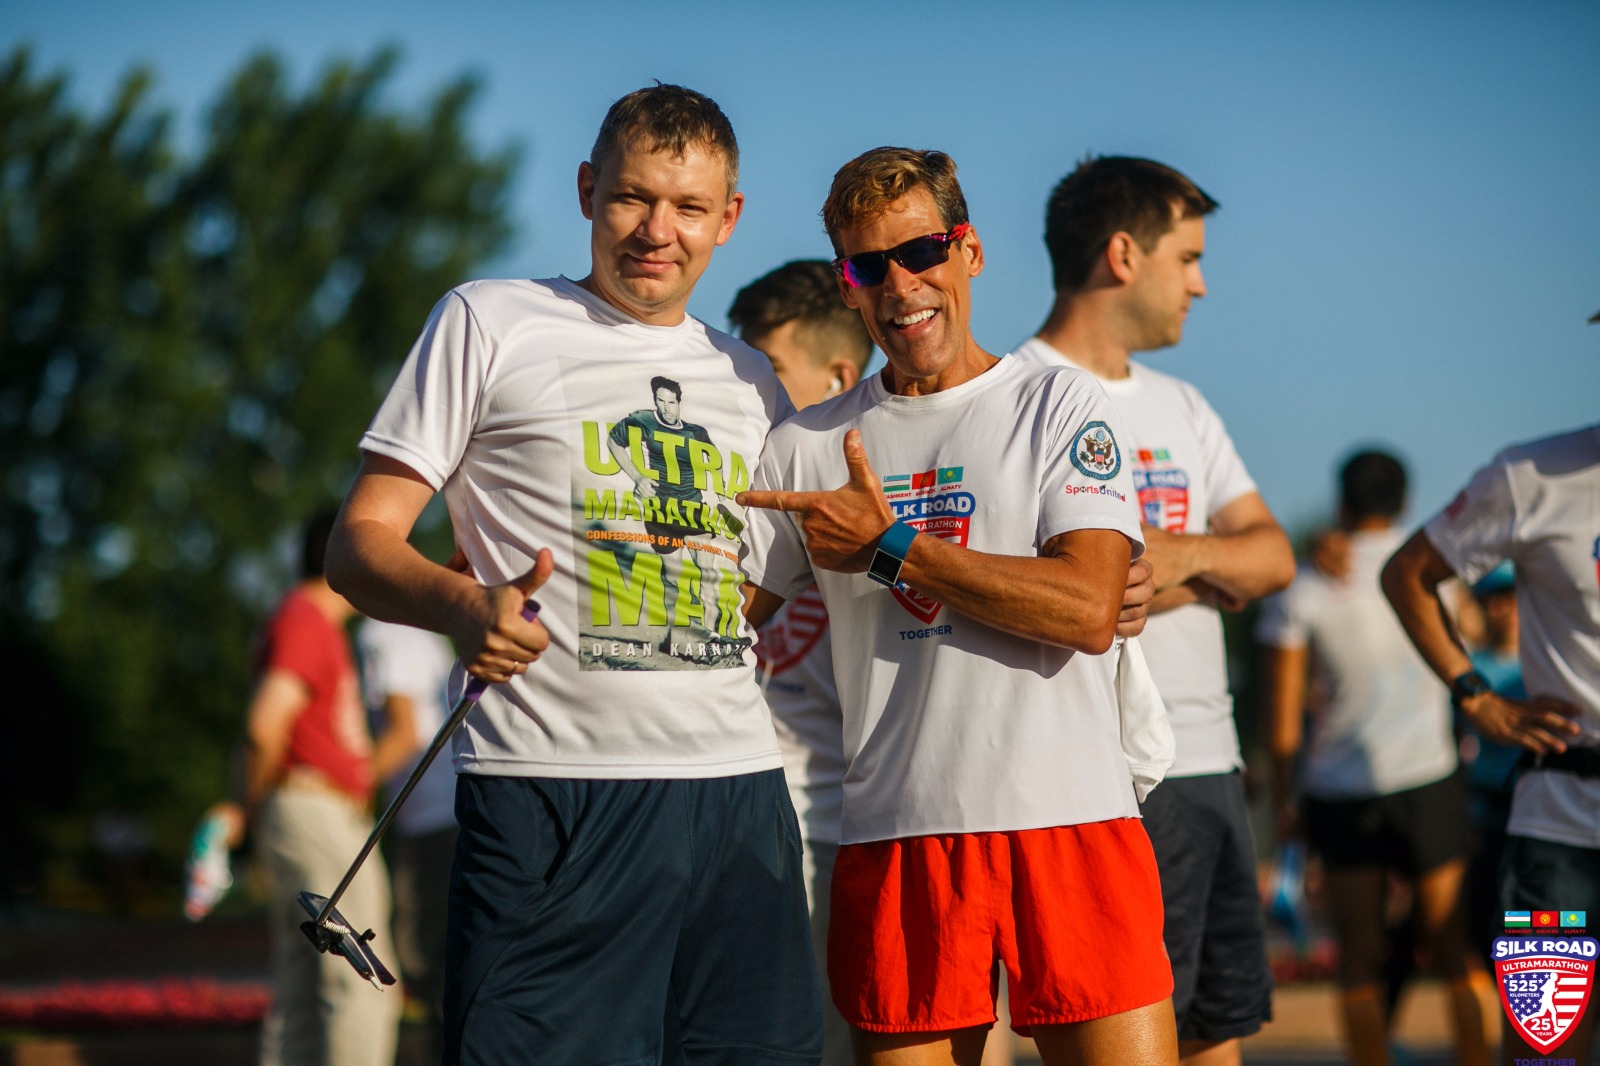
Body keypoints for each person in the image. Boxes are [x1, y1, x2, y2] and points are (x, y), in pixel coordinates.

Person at [325, 85, 821, 1065]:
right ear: (589, 188)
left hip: (740, 804)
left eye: (687, 207)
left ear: (729, 219)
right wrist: (466, 605)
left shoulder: (748, 379)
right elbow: (359, 543)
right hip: (551, 793)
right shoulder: (491, 320)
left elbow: (757, 594)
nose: (656, 230)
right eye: (634, 196)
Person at [740, 146, 1173, 1066]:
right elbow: (721, 618)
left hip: (1073, 821)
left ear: (969, 250)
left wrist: (894, 549)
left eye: (922, 251)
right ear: (846, 287)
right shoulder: (806, 444)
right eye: (869, 266)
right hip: (899, 833)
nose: (902, 285)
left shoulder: (1057, 404)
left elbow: (1089, 610)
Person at [1008, 156, 1294, 1066]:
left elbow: (1274, 554)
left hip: (1216, 768)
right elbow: (1046, 593)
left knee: (1219, 1032)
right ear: (1124, 255)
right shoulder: (1014, 397)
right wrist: (1205, 573)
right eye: (1189, 258)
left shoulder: (1184, 405)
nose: (1201, 285)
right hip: (1110, 782)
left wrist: (1174, 558)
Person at [1257, 450, 1486, 1066]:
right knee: (1452, 946)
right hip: (1429, 776)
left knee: (1356, 955)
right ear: (1404, 503)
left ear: (1342, 503)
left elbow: (1283, 718)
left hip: (1337, 787)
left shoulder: (1305, 587)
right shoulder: (1431, 573)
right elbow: (1472, 646)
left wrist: (1285, 797)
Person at [1382, 418, 1598, 1066]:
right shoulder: (1532, 474)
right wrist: (1476, 694)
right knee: (1543, 1056)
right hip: (1557, 834)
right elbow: (1408, 575)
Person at [727, 259, 873, 1066]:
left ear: (840, 375)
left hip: (860, 833)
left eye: (772, 372)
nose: (754, 396)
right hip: (749, 820)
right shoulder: (740, 485)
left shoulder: (887, 483)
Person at [221, 508, 405, 1066]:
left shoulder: (302, 620)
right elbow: (262, 726)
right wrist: (242, 813)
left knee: (303, 986)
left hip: (303, 808)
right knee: (359, 978)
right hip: (315, 808)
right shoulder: (306, 619)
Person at [354, 618, 458, 1053]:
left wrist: (343, 789)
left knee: (427, 957)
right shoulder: (423, 629)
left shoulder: (381, 634)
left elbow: (404, 733)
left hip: (432, 818)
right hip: (456, 805)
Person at [1459, 564, 1525, 961]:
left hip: (1544, 814)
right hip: (1485, 821)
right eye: (1494, 598)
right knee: (1486, 931)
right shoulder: (1467, 667)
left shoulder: (1551, 663)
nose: (1505, 608)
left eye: (1513, 596)